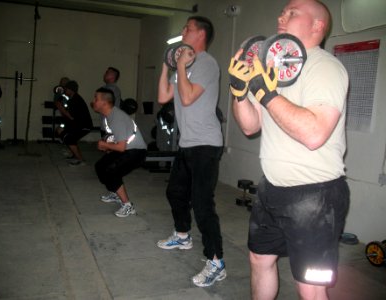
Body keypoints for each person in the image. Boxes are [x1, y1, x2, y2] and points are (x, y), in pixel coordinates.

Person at [229, 0, 349, 299]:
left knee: (309, 285)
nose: (281, 16)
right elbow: (249, 126)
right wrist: (240, 92)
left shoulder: (325, 67)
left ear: (318, 26)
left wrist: (267, 94)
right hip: (272, 188)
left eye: (292, 12)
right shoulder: (276, 68)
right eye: (282, 11)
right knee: (259, 259)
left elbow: (313, 134)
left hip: (315, 196)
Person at [156, 16, 226, 287]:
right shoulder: (186, 66)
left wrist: (182, 65)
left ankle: (216, 262)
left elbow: (186, 97)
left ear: (201, 34)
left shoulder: (206, 63)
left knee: (202, 204)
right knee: (175, 192)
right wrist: (167, 64)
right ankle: (183, 235)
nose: (183, 30)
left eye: (187, 28)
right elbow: (164, 97)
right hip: (187, 144)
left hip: (206, 145)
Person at [91, 87, 147, 217]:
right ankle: (115, 192)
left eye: (96, 98)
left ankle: (128, 206)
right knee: (100, 166)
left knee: (111, 170)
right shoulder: (109, 116)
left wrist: (104, 144)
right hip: (128, 149)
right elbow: (117, 140)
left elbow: (121, 147)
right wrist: (108, 146)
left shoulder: (116, 117)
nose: (93, 101)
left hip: (137, 152)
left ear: (104, 103)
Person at [55, 80, 93, 166]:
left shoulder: (76, 100)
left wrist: (61, 108)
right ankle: (75, 155)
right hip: (76, 124)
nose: (65, 90)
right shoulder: (72, 98)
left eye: (66, 89)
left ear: (71, 90)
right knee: (60, 130)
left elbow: (70, 116)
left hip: (84, 126)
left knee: (69, 138)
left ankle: (81, 160)